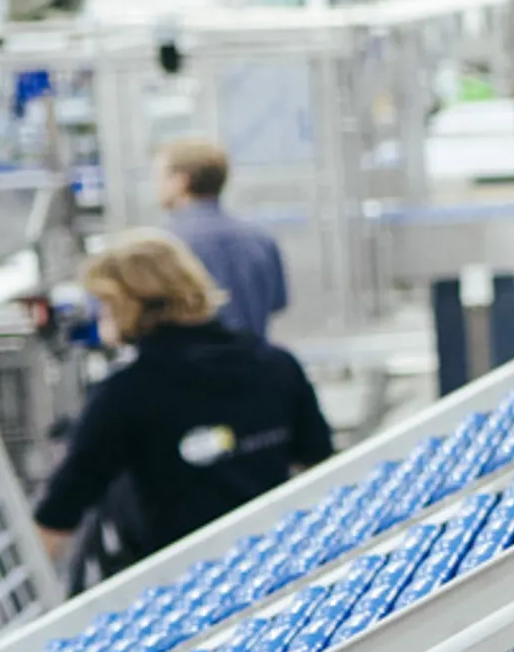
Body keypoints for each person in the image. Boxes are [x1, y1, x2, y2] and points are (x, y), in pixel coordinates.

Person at [36, 231, 330, 582]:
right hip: (274, 570)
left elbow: (60, 512)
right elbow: (321, 469)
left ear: (124, 304)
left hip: (178, 591)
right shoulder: (276, 364)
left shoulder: (127, 393)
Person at [154, 135, 289, 340]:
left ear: (181, 181)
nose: (157, 186)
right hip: (253, 365)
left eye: (160, 177)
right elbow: (277, 303)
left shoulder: (164, 246)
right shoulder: (261, 239)